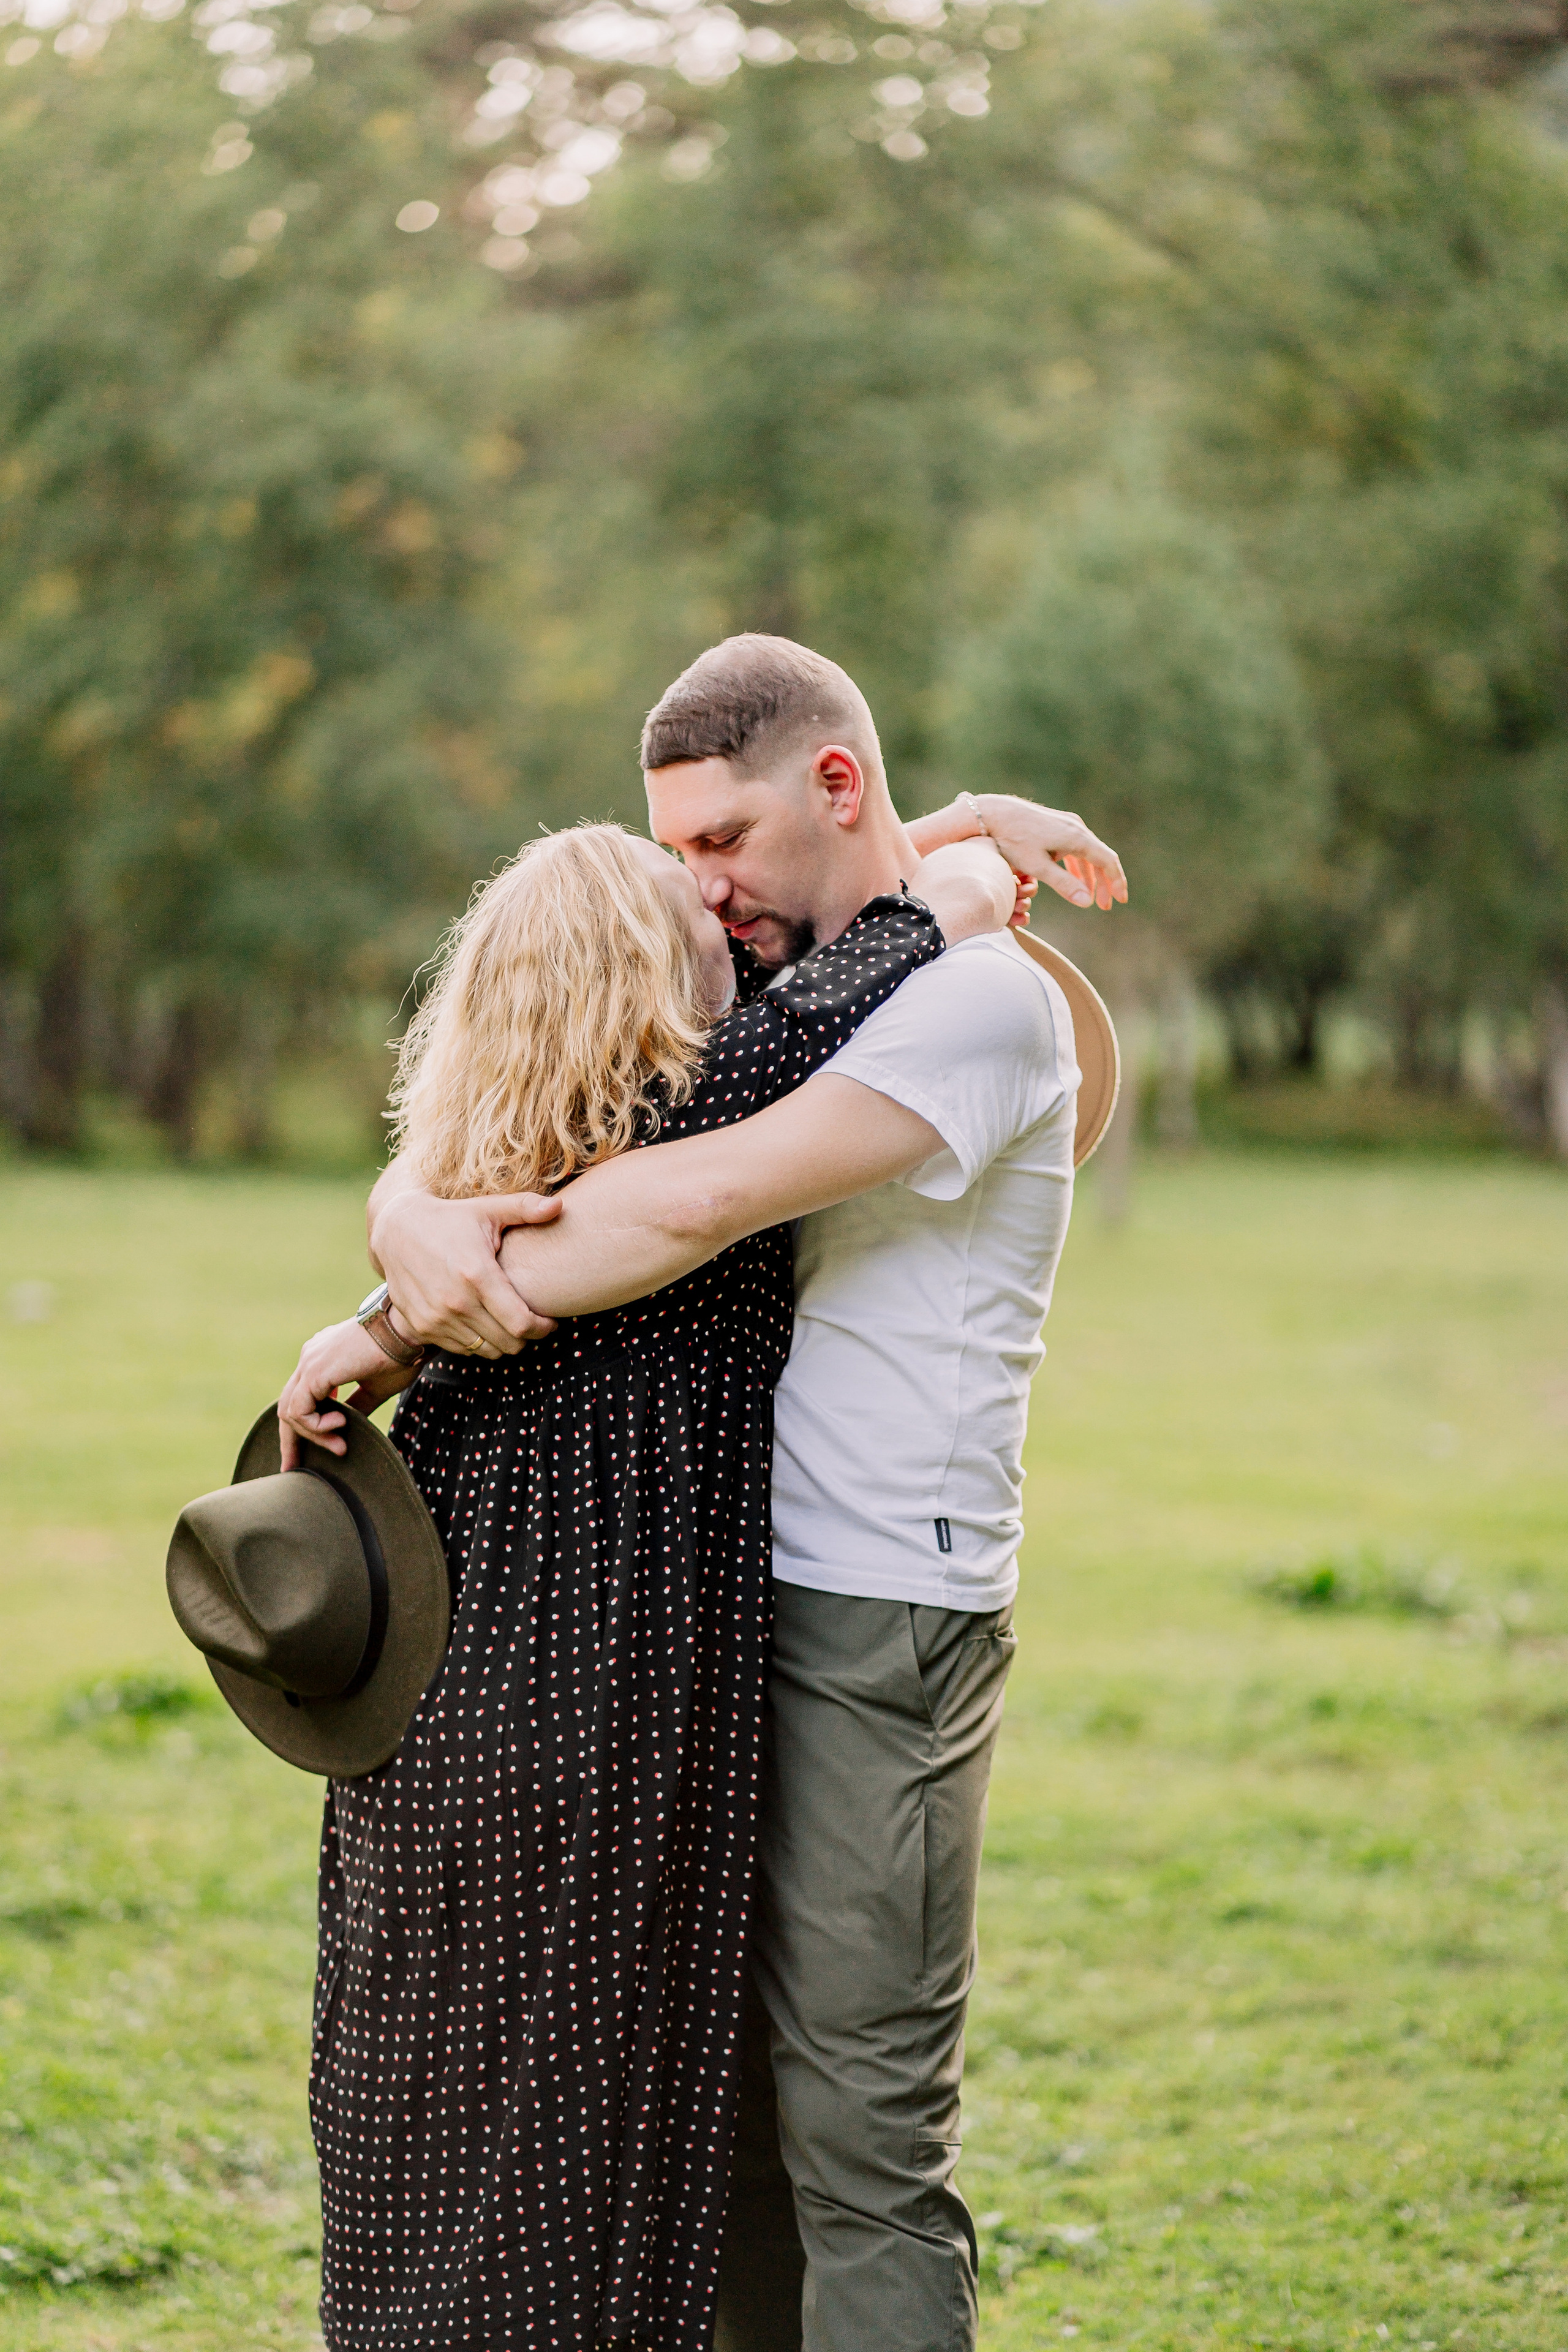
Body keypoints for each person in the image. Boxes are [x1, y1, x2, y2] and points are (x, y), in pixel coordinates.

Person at [286, 635, 1128, 2352]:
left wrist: (410, 1275)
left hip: (876, 1604)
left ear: (833, 786)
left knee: (858, 2142)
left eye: (719, 846)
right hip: (704, 1612)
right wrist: (409, 1221)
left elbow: (677, 1199)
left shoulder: (961, 995)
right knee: (716, 2123)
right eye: (677, 858)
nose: (701, 890)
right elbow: (580, 1070)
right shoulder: (808, 978)